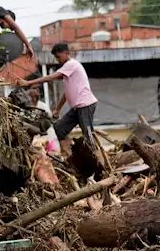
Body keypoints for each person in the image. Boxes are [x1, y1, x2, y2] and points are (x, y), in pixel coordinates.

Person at [25, 43, 104, 179]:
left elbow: (51, 77)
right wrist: (57, 109)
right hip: (76, 108)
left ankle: (100, 168)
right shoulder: (68, 71)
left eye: (58, 56)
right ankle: (72, 159)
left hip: (85, 105)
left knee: (88, 136)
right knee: (59, 129)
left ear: (66, 53)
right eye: (56, 58)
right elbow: (67, 94)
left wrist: (27, 83)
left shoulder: (71, 64)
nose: (58, 60)